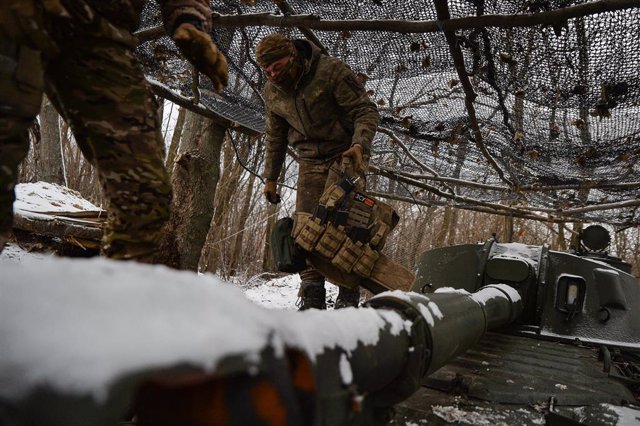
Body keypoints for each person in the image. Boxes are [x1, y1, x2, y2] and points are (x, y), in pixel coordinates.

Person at [0, 0, 228, 262]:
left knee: (145, 190)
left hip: (101, 33)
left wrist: (192, 24)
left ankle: (115, 292)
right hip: (17, 13)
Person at [256, 33, 380, 310]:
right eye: (267, 71)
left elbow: (365, 111)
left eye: (277, 67)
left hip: (346, 156)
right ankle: (312, 294)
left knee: (350, 227)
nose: (273, 75)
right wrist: (271, 178)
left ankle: (348, 295)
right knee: (305, 229)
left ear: (294, 57)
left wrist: (360, 146)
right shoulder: (272, 92)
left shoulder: (330, 71)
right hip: (310, 160)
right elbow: (275, 137)